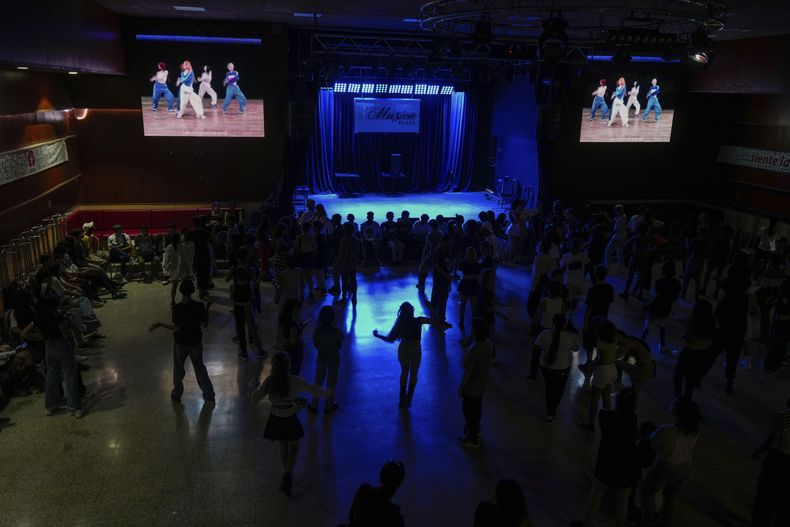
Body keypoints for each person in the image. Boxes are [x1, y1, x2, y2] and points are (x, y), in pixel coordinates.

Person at [251, 352, 331, 496]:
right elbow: (312, 389)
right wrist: (326, 393)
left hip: (276, 418)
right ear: (288, 365)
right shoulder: (294, 381)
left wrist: (253, 391)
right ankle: (287, 475)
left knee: (283, 445)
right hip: (290, 418)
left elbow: (256, 398)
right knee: (295, 448)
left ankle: (286, 473)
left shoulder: (270, 381)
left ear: (273, 366)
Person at [573, 388, 641, 527]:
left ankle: (587, 523)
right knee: (622, 501)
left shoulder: (604, 415)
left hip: (607, 458)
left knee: (597, 494)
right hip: (627, 463)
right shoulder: (636, 421)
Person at [149, 279, 215, 404]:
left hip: (180, 343)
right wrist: (207, 308)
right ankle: (209, 394)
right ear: (193, 290)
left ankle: (177, 393)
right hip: (195, 342)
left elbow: (177, 327)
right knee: (200, 368)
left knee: (178, 369)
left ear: (180, 291)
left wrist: (160, 324)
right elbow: (205, 325)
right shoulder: (199, 306)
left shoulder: (177, 308)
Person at [373, 302, 449, 407]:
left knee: (404, 372)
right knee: (414, 374)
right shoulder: (420, 320)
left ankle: (402, 398)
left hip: (404, 348)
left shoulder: (400, 324)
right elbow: (436, 321)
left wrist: (377, 335)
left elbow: (390, 339)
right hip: (415, 349)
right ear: (412, 311)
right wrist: (431, 308)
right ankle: (409, 398)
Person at [641, 398, 701, 527]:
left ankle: (649, 522)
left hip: (666, 467)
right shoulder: (693, 430)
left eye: (674, 404)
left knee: (646, 493)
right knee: (671, 499)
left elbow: (652, 443)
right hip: (686, 467)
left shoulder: (666, 431)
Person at [26, 295, 84, 418]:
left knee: (52, 375)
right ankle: (75, 406)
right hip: (61, 346)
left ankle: (50, 406)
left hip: (48, 347)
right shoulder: (57, 316)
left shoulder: (37, 317)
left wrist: (41, 338)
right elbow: (65, 334)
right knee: (70, 374)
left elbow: (25, 333)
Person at [751, 395, 790, 527]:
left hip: (778, 460)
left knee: (765, 497)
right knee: (784, 505)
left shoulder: (782, 417)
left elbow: (769, 443)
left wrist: (757, 451)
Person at [535, 313, 579, 423]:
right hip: (562, 368)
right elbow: (576, 348)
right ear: (565, 324)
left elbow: (536, 347)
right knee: (558, 391)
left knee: (549, 387)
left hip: (545, 366)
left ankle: (549, 410)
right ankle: (550, 412)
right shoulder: (569, 337)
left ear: (552, 322)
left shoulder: (544, 334)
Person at [458, 318, 494, 448]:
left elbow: (466, 370)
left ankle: (472, 439)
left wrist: (461, 388)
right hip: (482, 385)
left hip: (471, 387)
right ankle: (476, 430)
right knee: (476, 410)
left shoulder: (473, 350)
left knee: (468, 412)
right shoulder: (488, 344)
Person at [674, 300, 716, 400]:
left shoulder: (692, 319)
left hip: (690, 351)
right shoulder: (711, 320)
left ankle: (677, 399)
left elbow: (687, 336)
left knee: (678, 375)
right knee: (691, 379)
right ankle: (687, 400)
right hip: (704, 353)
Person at [580, 319, 619, 431]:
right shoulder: (615, 337)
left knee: (594, 400)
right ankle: (608, 422)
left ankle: (590, 424)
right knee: (606, 397)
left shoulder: (600, 341)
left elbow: (601, 360)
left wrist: (592, 364)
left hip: (603, 372)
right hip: (613, 369)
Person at [716, 277, 750, 393]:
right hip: (738, 334)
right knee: (733, 360)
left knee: (711, 355)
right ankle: (729, 383)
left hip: (724, 333)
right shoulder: (744, 298)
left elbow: (718, 317)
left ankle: (698, 378)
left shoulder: (724, 302)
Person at [347, 460, 406, 527]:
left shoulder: (364, 491)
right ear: (399, 484)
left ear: (381, 476)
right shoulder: (395, 516)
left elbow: (351, 518)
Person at [307, 305, 343, 414]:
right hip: (333, 359)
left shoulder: (318, 331)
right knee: (331, 383)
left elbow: (316, 344)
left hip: (321, 358)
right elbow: (339, 345)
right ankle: (328, 404)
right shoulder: (337, 332)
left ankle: (314, 404)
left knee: (318, 381)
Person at [643, 261, 682, 354]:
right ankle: (663, 346)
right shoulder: (677, 284)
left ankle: (641, 342)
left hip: (655, 309)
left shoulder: (659, 282)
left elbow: (658, 296)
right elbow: (675, 298)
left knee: (647, 328)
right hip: (666, 309)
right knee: (662, 326)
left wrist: (647, 305)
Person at [582, 266, 614, 368]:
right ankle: (597, 361)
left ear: (595, 276)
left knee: (589, 342)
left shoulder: (593, 289)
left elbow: (589, 307)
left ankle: (588, 362)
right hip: (603, 317)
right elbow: (609, 303)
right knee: (599, 340)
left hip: (592, 318)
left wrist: (585, 321)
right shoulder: (609, 288)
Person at [230, 265, 264, 361]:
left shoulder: (233, 287)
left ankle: (244, 352)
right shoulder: (250, 285)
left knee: (240, 330)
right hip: (248, 307)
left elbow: (232, 299)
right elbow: (252, 296)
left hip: (238, 308)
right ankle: (260, 349)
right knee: (252, 329)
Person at [559, 239, 591, 330]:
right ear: (570, 246)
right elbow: (562, 269)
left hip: (579, 283)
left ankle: (570, 321)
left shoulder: (584, 256)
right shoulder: (566, 256)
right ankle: (566, 320)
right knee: (568, 302)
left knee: (574, 302)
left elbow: (589, 265)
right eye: (573, 246)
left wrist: (584, 275)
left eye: (577, 246)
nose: (575, 248)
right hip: (568, 283)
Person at [616, 331, 655, 400]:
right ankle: (632, 407)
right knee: (635, 391)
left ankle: (618, 385)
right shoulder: (632, 342)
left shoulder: (629, 343)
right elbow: (624, 358)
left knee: (616, 363)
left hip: (643, 370)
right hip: (649, 369)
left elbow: (617, 355)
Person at [162, 232, 194, 305]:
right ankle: (188, 299)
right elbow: (189, 257)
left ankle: (172, 300)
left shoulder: (169, 247)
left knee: (174, 286)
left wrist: (166, 270)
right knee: (186, 285)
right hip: (184, 269)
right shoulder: (183, 246)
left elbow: (166, 259)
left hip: (174, 269)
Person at [280, 298, 309, 375]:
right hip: (294, 351)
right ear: (293, 309)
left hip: (285, 347)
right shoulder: (292, 324)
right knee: (294, 370)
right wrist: (301, 329)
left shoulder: (283, 319)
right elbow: (294, 341)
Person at [335, 223, 359, 307]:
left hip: (344, 264)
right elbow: (357, 252)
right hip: (353, 263)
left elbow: (341, 253)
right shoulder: (356, 239)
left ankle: (344, 298)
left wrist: (338, 263)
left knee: (344, 282)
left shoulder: (343, 240)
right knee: (353, 281)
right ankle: (354, 297)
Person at [458, 247, 481, 331]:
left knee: (463, 304)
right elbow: (478, 276)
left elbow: (459, 271)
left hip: (464, 284)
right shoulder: (477, 264)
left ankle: (461, 321)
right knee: (473, 305)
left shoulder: (463, 263)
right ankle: (473, 321)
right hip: (473, 285)